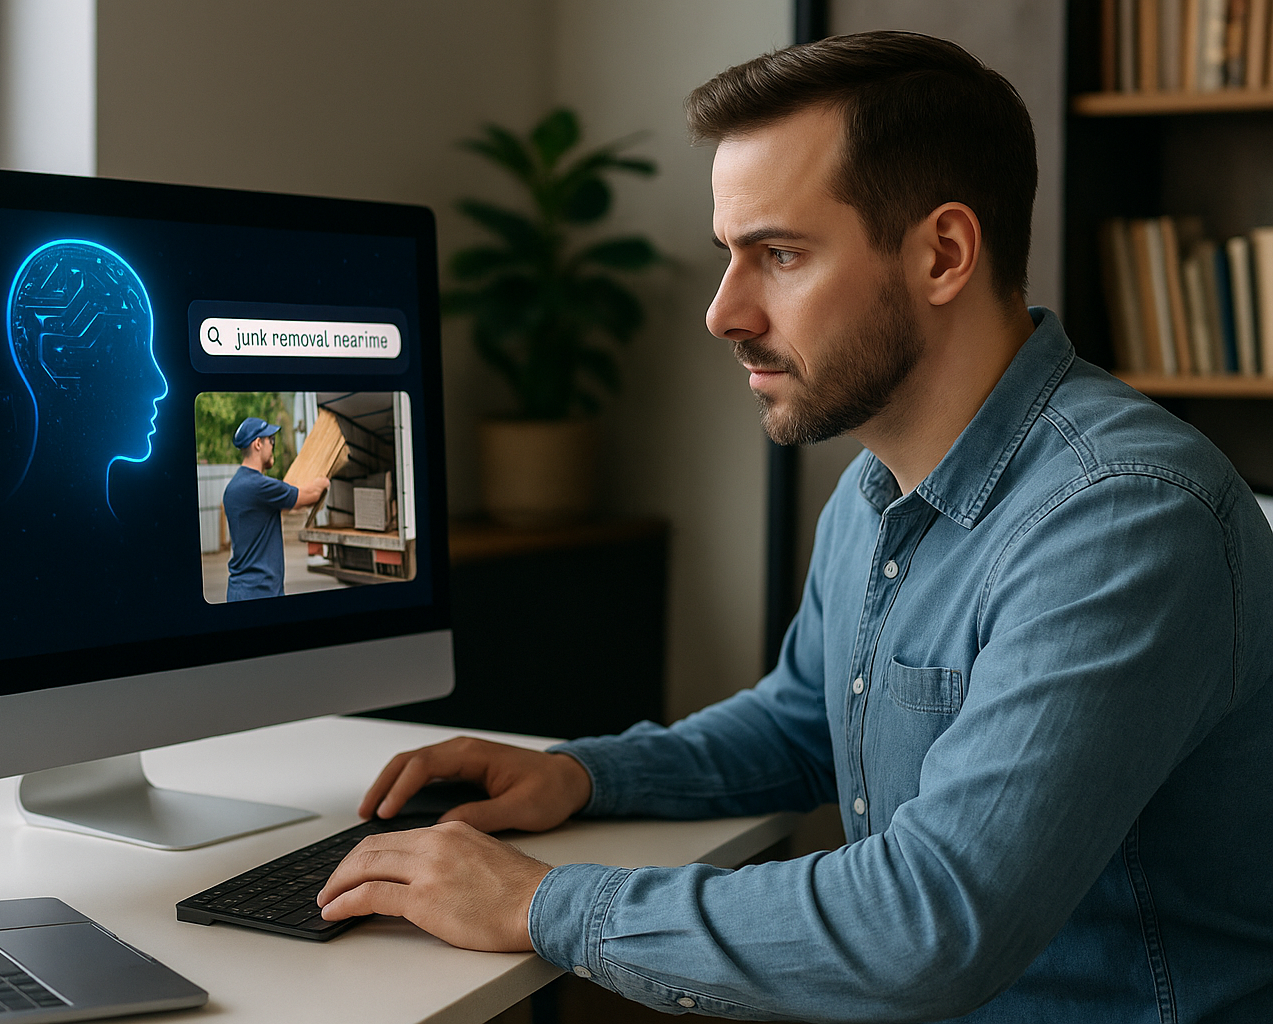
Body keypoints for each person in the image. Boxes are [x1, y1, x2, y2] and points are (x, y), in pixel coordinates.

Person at [314, 32, 1273, 1022]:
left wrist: (538, 901)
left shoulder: (1125, 516)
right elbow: (805, 721)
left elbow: (928, 923)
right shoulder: (876, 486)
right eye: (730, 256)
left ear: (943, 253)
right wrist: (579, 773)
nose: (723, 312)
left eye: (778, 254)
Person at [222, 416, 327, 601]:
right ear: (258, 444)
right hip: (260, 592)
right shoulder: (260, 486)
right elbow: (310, 497)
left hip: (240, 590)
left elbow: (286, 507)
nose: (273, 447)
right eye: (271, 441)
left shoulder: (234, 486)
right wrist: (323, 480)